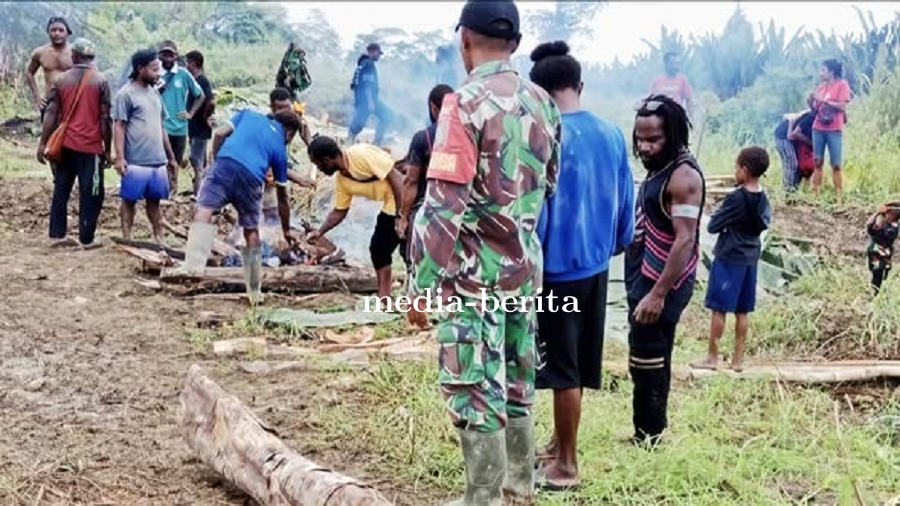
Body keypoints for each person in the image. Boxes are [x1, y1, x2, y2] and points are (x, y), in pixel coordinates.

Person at [408, 0, 561, 503]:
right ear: (514, 44)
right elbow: (548, 186)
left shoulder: (463, 104)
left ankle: (484, 499)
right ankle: (519, 488)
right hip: (524, 273)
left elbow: (442, 204)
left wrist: (420, 284)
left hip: (473, 280)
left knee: (474, 386)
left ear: (464, 40)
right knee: (518, 379)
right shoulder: (543, 102)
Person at [527, 41, 634, 491]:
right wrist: (616, 241)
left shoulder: (543, 135)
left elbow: (536, 211)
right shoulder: (610, 132)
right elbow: (626, 199)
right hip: (595, 264)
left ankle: (566, 465)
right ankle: (558, 442)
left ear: (537, 90)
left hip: (556, 270)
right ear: (579, 86)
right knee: (578, 362)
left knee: (562, 370)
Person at [626, 94, 705, 447]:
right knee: (649, 357)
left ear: (672, 135)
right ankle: (648, 430)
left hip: (662, 283)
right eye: (640, 138)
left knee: (648, 360)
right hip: (645, 276)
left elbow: (684, 240)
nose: (644, 146)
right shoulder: (659, 169)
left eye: (653, 139)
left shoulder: (683, 177)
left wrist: (657, 293)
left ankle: (650, 435)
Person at [164, 108, 303, 304]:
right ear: (289, 132)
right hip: (252, 178)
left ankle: (193, 265)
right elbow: (283, 197)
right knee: (251, 229)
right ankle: (254, 291)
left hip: (224, 165)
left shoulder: (247, 114)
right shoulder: (280, 148)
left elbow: (220, 133)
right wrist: (286, 230)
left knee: (204, 210)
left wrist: (215, 159)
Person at [691, 147, 771, 373]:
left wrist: (722, 218)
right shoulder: (763, 197)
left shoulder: (736, 197)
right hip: (750, 256)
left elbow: (713, 225)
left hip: (729, 256)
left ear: (744, 170)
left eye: (736, 167)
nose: (734, 171)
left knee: (719, 308)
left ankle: (712, 356)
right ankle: (738, 360)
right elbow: (763, 223)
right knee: (742, 310)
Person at [306, 136, 403, 299]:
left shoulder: (361, 154)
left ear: (327, 159)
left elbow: (396, 177)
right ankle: (384, 297)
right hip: (391, 202)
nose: (320, 170)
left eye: (318, 165)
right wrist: (320, 231)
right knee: (379, 249)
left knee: (408, 248)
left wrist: (402, 215)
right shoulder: (342, 179)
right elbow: (340, 211)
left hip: (405, 197)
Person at [37, 38, 111, 250]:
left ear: (74, 55)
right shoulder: (101, 81)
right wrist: (108, 149)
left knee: (61, 189)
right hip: (91, 147)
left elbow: (51, 113)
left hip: (66, 146)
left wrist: (43, 143)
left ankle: (57, 235)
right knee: (92, 192)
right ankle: (86, 238)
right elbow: (105, 119)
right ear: (91, 58)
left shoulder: (60, 80)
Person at [396, 83, 454, 328]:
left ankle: (417, 311)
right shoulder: (468, 134)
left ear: (433, 106)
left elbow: (410, 181)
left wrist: (403, 216)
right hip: (460, 210)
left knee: (416, 261)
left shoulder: (425, 138)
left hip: (427, 208)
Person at [113, 49, 179, 244]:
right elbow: (119, 125)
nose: (158, 73)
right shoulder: (126, 94)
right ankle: (127, 236)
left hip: (157, 160)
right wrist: (119, 157)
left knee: (155, 202)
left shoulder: (155, 94)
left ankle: (159, 237)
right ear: (140, 68)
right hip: (136, 160)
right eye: (154, 69)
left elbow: (162, 126)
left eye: (158, 69)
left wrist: (171, 157)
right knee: (129, 199)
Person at [156, 40, 205, 196]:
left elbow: (200, 95)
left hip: (180, 128)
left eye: (171, 54)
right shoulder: (154, 73)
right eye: (164, 54)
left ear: (176, 56)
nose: (168, 58)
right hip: (161, 127)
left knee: (175, 162)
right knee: (161, 162)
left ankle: (172, 193)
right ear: (159, 56)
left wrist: (190, 113)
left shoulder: (183, 75)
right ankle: (162, 192)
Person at [809, 59, 852, 200]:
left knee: (836, 164)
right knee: (817, 162)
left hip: (834, 129)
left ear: (831, 72)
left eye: (823, 70)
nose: (820, 73)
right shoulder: (821, 87)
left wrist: (824, 100)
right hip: (818, 127)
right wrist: (810, 101)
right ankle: (816, 195)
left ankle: (839, 196)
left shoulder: (842, 85)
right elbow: (815, 109)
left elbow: (842, 106)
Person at [26, 17, 74, 119]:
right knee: (48, 134)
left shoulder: (75, 53)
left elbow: (88, 73)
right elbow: (29, 73)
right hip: (50, 102)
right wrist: (37, 98)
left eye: (61, 30)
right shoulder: (40, 52)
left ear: (68, 33)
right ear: (48, 32)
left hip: (72, 103)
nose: (57, 33)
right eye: (53, 30)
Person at [348, 42, 391, 145]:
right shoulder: (369, 64)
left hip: (361, 99)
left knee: (359, 124)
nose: (379, 56)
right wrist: (370, 101)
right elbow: (367, 84)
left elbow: (354, 85)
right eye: (378, 53)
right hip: (368, 100)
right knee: (386, 116)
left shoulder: (361, 64)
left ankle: (349, 141)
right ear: (372, 51)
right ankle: (376, 143)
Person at [184, 50, 215, 195]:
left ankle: (199, 194)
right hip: (194, 127)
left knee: (196, 162)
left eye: (187, 62)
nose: (186, 65)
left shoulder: (202, 80)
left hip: (200, 128)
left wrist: (205, 117)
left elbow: (211, 102)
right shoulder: (194, 80)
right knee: (199, 161)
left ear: (193, 63)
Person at [866, 204, 900, 296]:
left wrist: (880, 213)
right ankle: (875, 292)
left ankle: (879, 291)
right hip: (876, 250)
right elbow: (870, 227)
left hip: (884, 251)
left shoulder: (893, 225)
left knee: (885, 271)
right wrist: (878, 213)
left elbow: (872, 227)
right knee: (877, 272)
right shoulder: (884, 222)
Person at [649, 52, 694, 118]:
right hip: (661, 118)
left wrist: (691, 118)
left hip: (677, 117)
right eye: (673, 63)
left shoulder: (683, 80)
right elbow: (651, 100)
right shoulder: (657, 80)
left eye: (678, 64)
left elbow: (689, 100)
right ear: (666, 64)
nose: (676, 67)